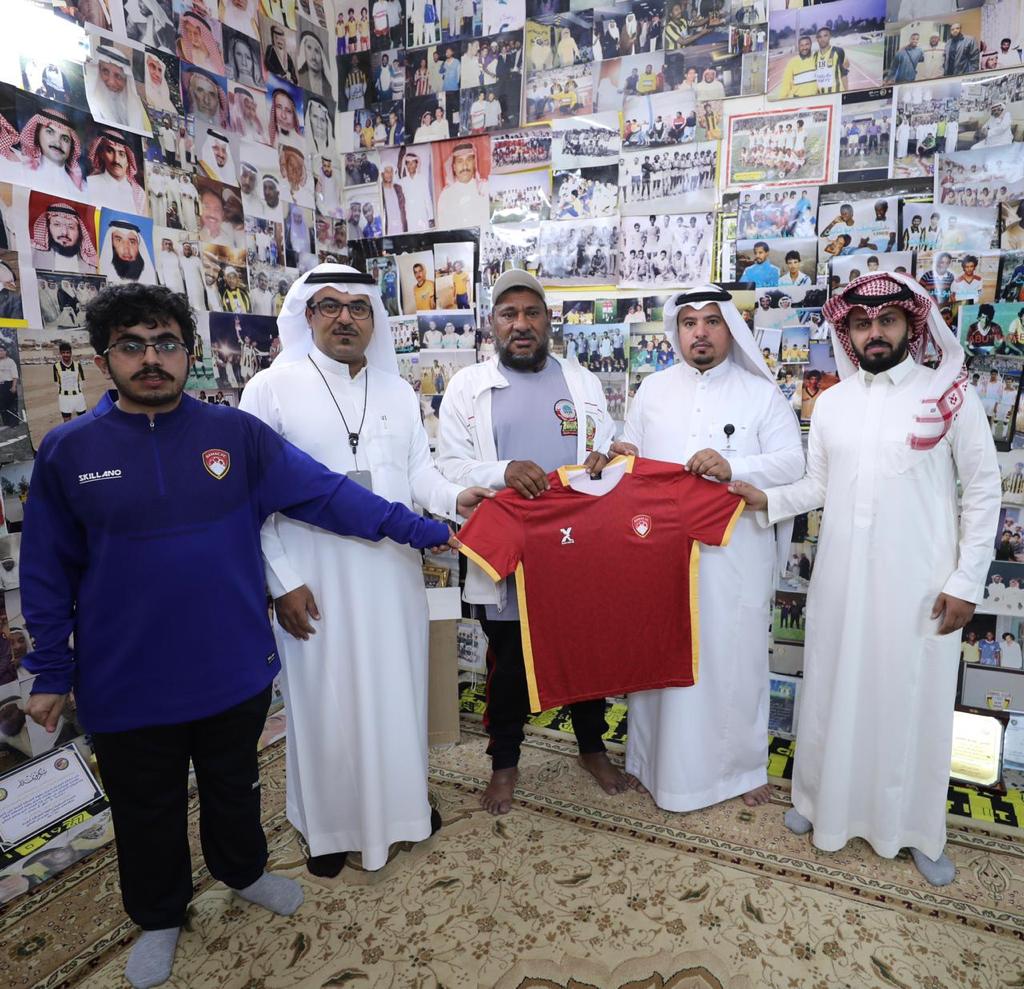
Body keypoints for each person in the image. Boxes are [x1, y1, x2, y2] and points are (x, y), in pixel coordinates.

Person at [21, 282, 454, 989]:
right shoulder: (69, 451)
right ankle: (160, 914)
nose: (151, 359)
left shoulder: (234, 435)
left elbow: (327, 493)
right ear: (104, 360)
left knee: (234, 785)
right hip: (126, 674)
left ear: (188, 352)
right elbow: (45, 567)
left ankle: (244, 871)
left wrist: (419, 529)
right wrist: (49, 670)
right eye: (132, 346)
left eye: (166, 343)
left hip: (231, 663)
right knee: (148, 803)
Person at [729, 272, 1001, 887]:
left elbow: (984, 491)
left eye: (886, 321)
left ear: (911, 325)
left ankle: (918, 830)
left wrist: (967, 581)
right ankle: (816, 803)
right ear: (847, 332)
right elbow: (818, 486)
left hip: (922, 586)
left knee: (912, 703)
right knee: (831, 691)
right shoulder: (833, 403)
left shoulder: (948, 395)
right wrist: (766, 499)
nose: (874, 333)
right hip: (842, 579)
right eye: (861, 324)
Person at [239, 263, 491, 876]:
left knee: (396, 694)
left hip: (392, 572)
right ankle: (329, 828)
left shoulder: (398, 391)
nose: (345, 318)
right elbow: (251, 498)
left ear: (373, 319)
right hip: (313, 578)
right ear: (307, 315)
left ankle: (403, 811)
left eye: (358, 307)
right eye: (329, 306)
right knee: (324, 702)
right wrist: (281, 581)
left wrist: (456, 498)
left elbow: (419, 474)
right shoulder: (270, 389)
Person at [608, 285, 803, 811]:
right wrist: (621, 454)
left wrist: (735, 465)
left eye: (712, 321)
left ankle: (739, 770)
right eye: (689, 322)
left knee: (731, 656)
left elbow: (793, 462)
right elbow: (630, 455)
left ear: (730, 329)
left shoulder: (760, 394)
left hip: (733, 555)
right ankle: (650, 763)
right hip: (661, 553)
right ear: (676, 331)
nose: (700, 332)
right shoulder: (652, 390)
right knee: (660, 650)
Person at [437, 269, 623, 815]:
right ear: (492, 324)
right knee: (510, 663)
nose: (521, 324)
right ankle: (505, 763)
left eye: (532, 313)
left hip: (577, 548)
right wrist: (503, 471)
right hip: (508, 549)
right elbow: (449, 466)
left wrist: (606, 456)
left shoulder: (582, 382)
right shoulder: (467, 387)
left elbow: (609, 445)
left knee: (587, 653)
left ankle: (591, 748)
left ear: (548, 321)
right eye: (509, 314)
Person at [18, 108, 87, 197]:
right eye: (50, 132)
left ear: (72, 147)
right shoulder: (21, 168)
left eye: (65, 139)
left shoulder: (83, 188)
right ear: (37, 133)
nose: (57, 143)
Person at [85, 44, 151, 133]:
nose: (111, 82)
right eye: (105, 71)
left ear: (126, 80)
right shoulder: (87, 101)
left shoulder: (140, 110)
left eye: (118, 76)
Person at [30, 202, 98, 273]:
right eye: (57, 224)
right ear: (47, 228)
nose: (64, 232)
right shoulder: (32, 252)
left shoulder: (90, 263)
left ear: (79, 232)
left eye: (71, 227)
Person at [435, 141, 489, 229]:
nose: (465, 166)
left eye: (469, 160)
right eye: (460, 161)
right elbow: (443, 229)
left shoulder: (485, 188)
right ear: (454, 167)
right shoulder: (446, 195)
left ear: (474, 163)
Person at [99, 220, 157, 286]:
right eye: (119, 240)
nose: (126, 250)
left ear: (139, 246)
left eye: (132, 242)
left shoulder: (147, 278)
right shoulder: (106, 274)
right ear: (110, 243)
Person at [297, 30, 332, 101]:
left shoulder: (329, 86)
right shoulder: (299, 78)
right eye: (309, 48)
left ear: (322, 57)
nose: (313, 57)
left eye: (317, 51)